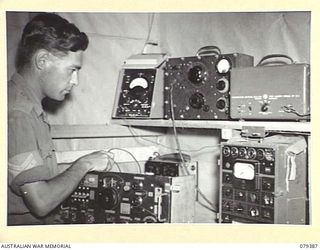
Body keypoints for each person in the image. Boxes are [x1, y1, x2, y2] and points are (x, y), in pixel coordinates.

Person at [7, 12, 110, 225]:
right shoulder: (19, 113)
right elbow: (41, 202)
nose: (76, 81)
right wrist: (85, 164)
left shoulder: (24, 104)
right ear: (42, 60)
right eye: (72, 70)